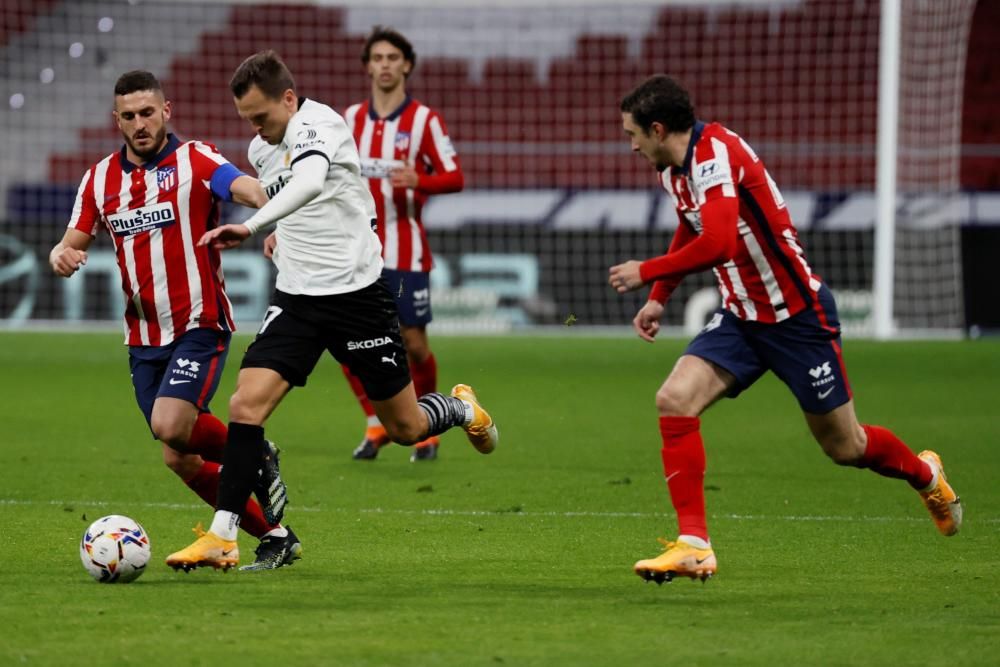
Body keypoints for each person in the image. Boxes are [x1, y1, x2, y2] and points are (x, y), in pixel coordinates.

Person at [608, 74, 962, 584]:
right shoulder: (674, 168)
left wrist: (648, 270)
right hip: (741, 317)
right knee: (674, 398)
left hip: (797, 318)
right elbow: (694, 222)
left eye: (632, 135)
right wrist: (660, 298)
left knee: (847, 447)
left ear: (658, 129)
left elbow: (720, 243)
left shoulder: (716, 156)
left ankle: (926, 475)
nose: (631, 145)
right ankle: (694, 545)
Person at [165, 51, 497, 571]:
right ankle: (223, 535)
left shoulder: (321, 123)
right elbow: (297, 201)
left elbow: (312, 182)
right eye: (247, 119)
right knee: (244, 406)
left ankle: (459, 408)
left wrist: (251, 227)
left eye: (262, 116)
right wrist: (281, 233)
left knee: (406, 428)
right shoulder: (261, 146)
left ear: (289, 100)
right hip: (297, 299)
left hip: (357, 298)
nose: (255, 128)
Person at [49, 70, 300, 572]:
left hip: (199, 324)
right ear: (116, 120)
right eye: (129, 116)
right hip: (143, 337)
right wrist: (61, 254)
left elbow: (248, 189)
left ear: (167, 111)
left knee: (170, 423)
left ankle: (253, 450)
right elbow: (72, 241)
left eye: (148, 112)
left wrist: (280, 218)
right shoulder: (99, 179)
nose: (140, 124)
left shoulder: (196, 160)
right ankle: (276, 535)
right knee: (177, 455)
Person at [340, 27, 465, 462]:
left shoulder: (424, 121)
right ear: (368, 66)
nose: (386, 64)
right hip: (354, 249)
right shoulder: (349, 120)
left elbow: (455, 177)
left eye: (394, 57)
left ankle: (428, 424)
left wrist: (421, 179)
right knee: (346, 340)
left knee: (413, 344)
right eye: (378, 57)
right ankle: (375, 423)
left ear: (406, 65)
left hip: (405, 250)